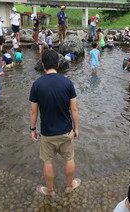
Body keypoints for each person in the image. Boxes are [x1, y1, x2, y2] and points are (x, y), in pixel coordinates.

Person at [29, 49, 80, 196]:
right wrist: (76, 127)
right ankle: (69, 186)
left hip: (47, 133)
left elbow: (33, 111)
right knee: (69, 158)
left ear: (43, 65)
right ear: (57, 64)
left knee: (48, 161)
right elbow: (74, 109)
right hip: (66, 130)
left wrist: (32, 129)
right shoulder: (67, 83)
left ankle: (50, 190)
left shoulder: (37, 85)